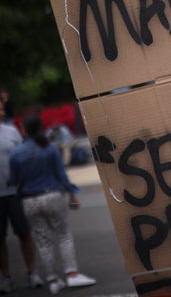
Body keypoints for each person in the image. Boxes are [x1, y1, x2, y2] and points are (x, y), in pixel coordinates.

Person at [8, 113, 96, 294]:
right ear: (41, 128)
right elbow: (61, 176)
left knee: (43, 241)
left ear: (23, 129)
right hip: (53, 195)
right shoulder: (49, 148)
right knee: (63, 235)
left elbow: (14, 180)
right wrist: (72, 193)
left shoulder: (16, 153)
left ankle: (52, 279)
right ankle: (72, 274)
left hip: (29, 200)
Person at [0, 102, 42, 293]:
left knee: (24, 234)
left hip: (16, 193)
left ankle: (32, 272)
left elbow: (24, 156)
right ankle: (6, 277)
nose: (3, 111)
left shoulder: (11, 131)